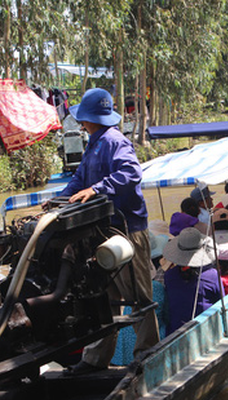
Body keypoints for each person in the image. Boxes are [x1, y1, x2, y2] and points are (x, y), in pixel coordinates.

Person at [57, 88, 159, 374]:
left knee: (138, 294)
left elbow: (131, 174)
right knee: (102, 294)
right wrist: (60, 200)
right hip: (100, 231)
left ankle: (147, 354)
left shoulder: (116, 141)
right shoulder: (93, 143)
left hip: (126, 229)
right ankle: (95, 359)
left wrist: (97, 188)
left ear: (88, 118)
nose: (81, 123)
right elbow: (78, 180)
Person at [163, 228, 222, 333]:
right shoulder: (212, 275)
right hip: (206, 330)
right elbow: (221, 302)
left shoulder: (169, 275)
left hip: (175, 333)